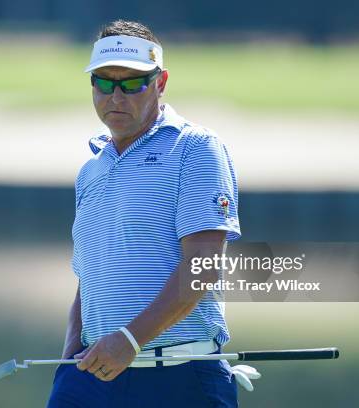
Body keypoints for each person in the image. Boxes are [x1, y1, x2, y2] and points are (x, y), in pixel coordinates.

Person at [48, 20, 240, 408]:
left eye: (132, 82)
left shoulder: (196, 149)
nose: (116, 95)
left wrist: (131, 340)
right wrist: (70, 357)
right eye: (104, 82)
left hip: (180, 377)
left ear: (161, 82)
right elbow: (90, 276)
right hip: (92, 378)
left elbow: (203, 266)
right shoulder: (92, 169)